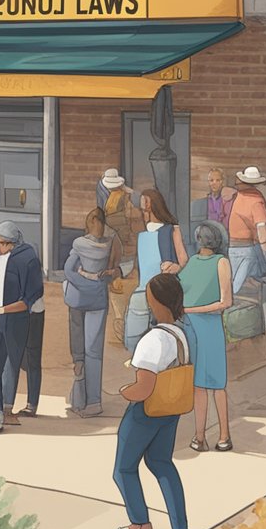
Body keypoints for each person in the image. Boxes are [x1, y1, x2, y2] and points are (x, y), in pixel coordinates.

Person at [112, 273, 193, 529]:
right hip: (171, 410)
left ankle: (140, 528)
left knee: (123, 469)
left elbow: (143, 388)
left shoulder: (152, 339)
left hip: (146, 412)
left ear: (156, 301)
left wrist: (123, 391)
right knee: (161, 464)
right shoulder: (180, 335)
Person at [0, 221, 44, 434]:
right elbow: (4, 294)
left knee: (5, 367)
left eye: (2, 243)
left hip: (11, 319)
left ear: (11, 242)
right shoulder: (9, 259)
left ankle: (0, 412)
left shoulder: (27, 260)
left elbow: (27, 300)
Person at [178, 222, 234, 451]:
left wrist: (190, 310)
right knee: (199, 385)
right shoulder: (192, 262)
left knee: (216, 383)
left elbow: (225, 302)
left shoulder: (221, 263)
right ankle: (200, 436)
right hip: (192, 328)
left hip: (209, 328)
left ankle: (224, 435)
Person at [64, 208, 122, 417]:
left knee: (78, 350)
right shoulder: (111, 243)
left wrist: (84, 280)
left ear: (89, 222)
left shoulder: (79, 244)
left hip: (77, 300)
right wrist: (98, 281)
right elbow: (115, 270)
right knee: (94, 352)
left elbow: (69, 270)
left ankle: (79, 398)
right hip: (98, 298)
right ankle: (94, 402)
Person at [124, 189, 188, 351]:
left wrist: (177, 267)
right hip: (143, 288)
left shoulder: (171, 229)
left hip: (164, 287)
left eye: (145, 201)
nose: (143, 206)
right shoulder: (142, 234)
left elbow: (183, 258)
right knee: (133, 334)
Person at [101, 169, 143, 345]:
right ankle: (125, 325)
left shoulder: (111, 203)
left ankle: (121, 323)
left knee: (117, 287)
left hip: (118, 250)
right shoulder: (127, 200)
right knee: (125, 286)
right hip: (128, 250)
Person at [228, 166, 266, 293]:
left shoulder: (238, 197)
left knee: (231, 283)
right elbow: (261, 228)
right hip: (246, 248)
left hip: (231, 246)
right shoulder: (256, 200)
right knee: (240, 285)